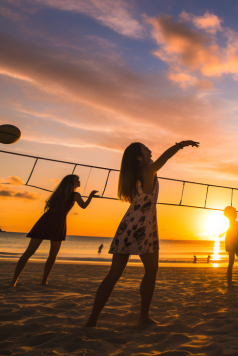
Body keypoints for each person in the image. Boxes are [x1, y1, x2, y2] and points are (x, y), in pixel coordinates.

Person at [84, 140, 199, 327]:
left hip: (127, 225)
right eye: (146, 149)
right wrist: (181, 144)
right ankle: (143, 317)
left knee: (113, 275)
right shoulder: (147, 171)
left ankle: (92, 320)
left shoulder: (134, 175)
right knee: (151, 271)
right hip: (144, 227)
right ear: (139, 157)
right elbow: (164, 158)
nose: (150, 150)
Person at [9, 175, 98, 287]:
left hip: (46, 220)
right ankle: (42, 281)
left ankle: (15, 281)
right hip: (58, 222)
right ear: (70, 182)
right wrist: (90, 196)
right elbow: (84, 206)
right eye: (76, 180)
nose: (79, 181)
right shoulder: (75, 195)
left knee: (30, 252)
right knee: (50, 254)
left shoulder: (58, 193)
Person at [219, 206, 238, 289]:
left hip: (233, 244)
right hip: (234, 244)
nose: (236, 213)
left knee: (232, 263)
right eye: (235, 212)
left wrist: (223, 233)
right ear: (232, 214)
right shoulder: (233, 221)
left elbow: (231, 228)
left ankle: (230, 282)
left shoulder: (232, 222)